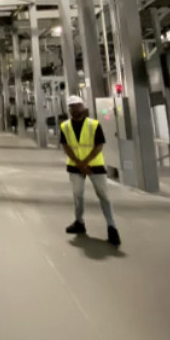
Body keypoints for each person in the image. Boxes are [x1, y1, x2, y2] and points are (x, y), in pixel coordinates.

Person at [60, 95, 121, 246]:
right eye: (72, 107)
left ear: (83, 106)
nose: (75, 109)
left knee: (104, 196)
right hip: (75, 166)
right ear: (70, 109)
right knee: (77, 195)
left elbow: (99, 145)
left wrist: (84, 163)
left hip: (95, 166)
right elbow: (66, 147)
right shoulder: (65, 126)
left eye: (78, 106)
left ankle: (112, 227)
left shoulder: (94, 124)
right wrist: (79, 164)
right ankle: (79, 223)